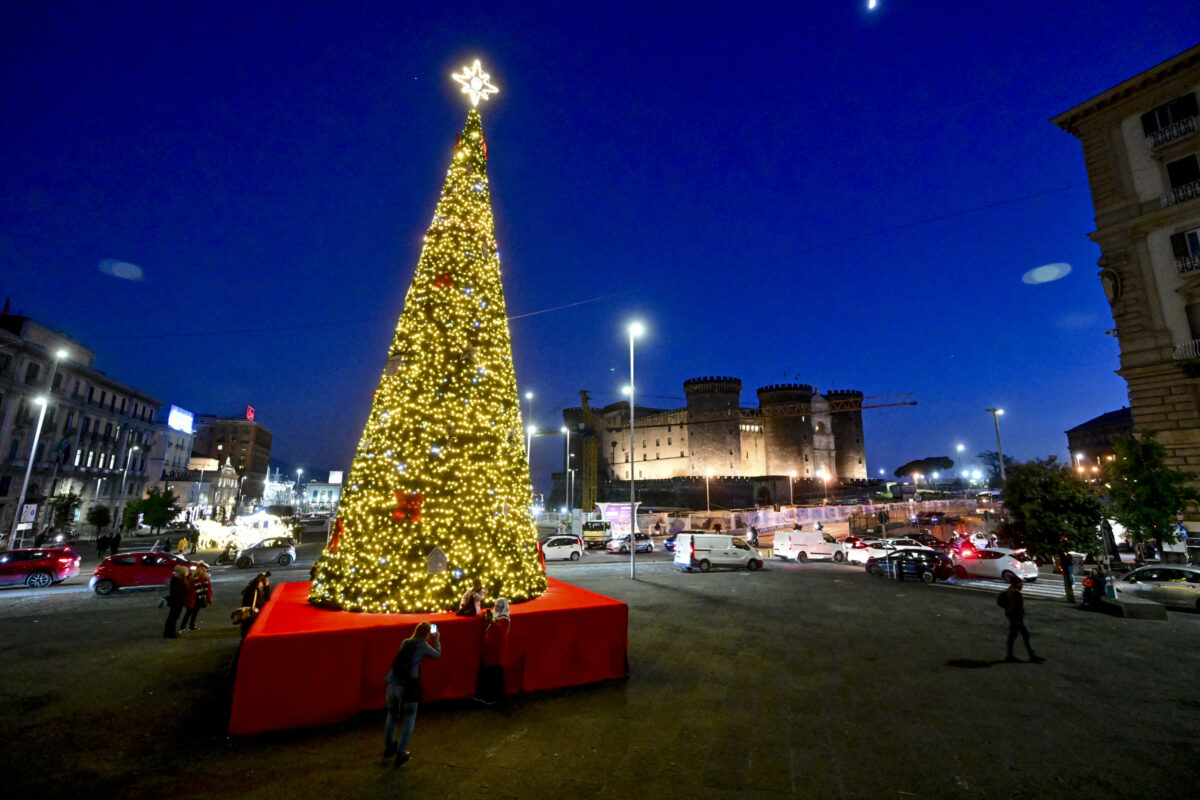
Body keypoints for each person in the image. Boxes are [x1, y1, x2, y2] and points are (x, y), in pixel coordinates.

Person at [384, 621, 442, 767]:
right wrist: (437, 640)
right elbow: (437, 655)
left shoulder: (405, 642)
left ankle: (390, 745)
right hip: (409, 687)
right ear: (428, 634)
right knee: (409, 718)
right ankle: (401, 752)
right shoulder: (423, 646)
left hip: (392, 682)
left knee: (392, 715)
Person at [998, 576, 1044, 663]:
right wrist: (1018, 619)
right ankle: (1031, 656)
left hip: (1013, 618)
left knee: (1014, 636)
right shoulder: (1015, 593)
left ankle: (1011, 655)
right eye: (1020, 583)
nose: (1022, 585)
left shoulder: (1009, 590)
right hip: (1017, 618)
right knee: (1023, 635)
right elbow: (1015, 607)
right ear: (1016, 584)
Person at [475, 598, 510, 705]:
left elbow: (499, 631)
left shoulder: (505, 619)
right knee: (489, 673)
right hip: (490, 650)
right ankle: (486, 696)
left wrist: (491, 622)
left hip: (497, 651)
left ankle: (495, 697)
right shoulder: (496, 616)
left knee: (496, 675)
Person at [181, 563, 212, 632]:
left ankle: (191, 626)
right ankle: (183, 627)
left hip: (200, 599)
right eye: (199, 569)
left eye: (202, 569)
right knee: (188, 613)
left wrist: (209, 598)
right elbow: (190, 590)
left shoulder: (206, 579)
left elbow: (208, 590)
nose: (200, 571)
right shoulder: (193, 579)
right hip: (193, 598)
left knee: (195, 613)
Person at [239, 572, 272, 638]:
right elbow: (256, 582)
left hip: (255, 616)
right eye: (261, 581)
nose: (262, 583)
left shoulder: (258, 591)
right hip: (250, 617)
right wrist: (261, 575)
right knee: (248, 635)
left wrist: (266, 587)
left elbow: (267, 599)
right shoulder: (251, 590)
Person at [163, 566, 189, 639]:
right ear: (183, 573)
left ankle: (167, 633)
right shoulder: (179, 580)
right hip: (177, 602)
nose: (188, 573)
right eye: (187, 571)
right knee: (173, 618)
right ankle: (171, 633)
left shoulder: (177, 578)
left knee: (171, 618)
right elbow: (177, 591)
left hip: (176, 601)